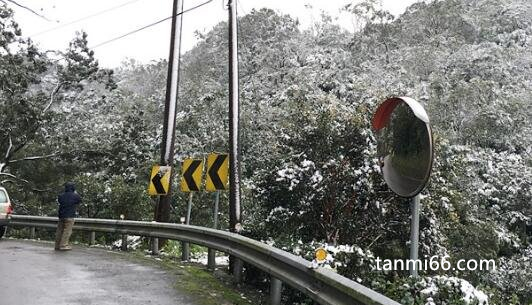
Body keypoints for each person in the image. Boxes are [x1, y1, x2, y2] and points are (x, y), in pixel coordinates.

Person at [55, 182, 81, 251]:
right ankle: (63, 245)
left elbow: (60, 201)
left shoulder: (61, 195)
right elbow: (79, 200)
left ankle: (57, 245)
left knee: (59, 230)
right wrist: (75, 193)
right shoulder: (75, 196)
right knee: (67, 231)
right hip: (69, 216)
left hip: (61, 216)